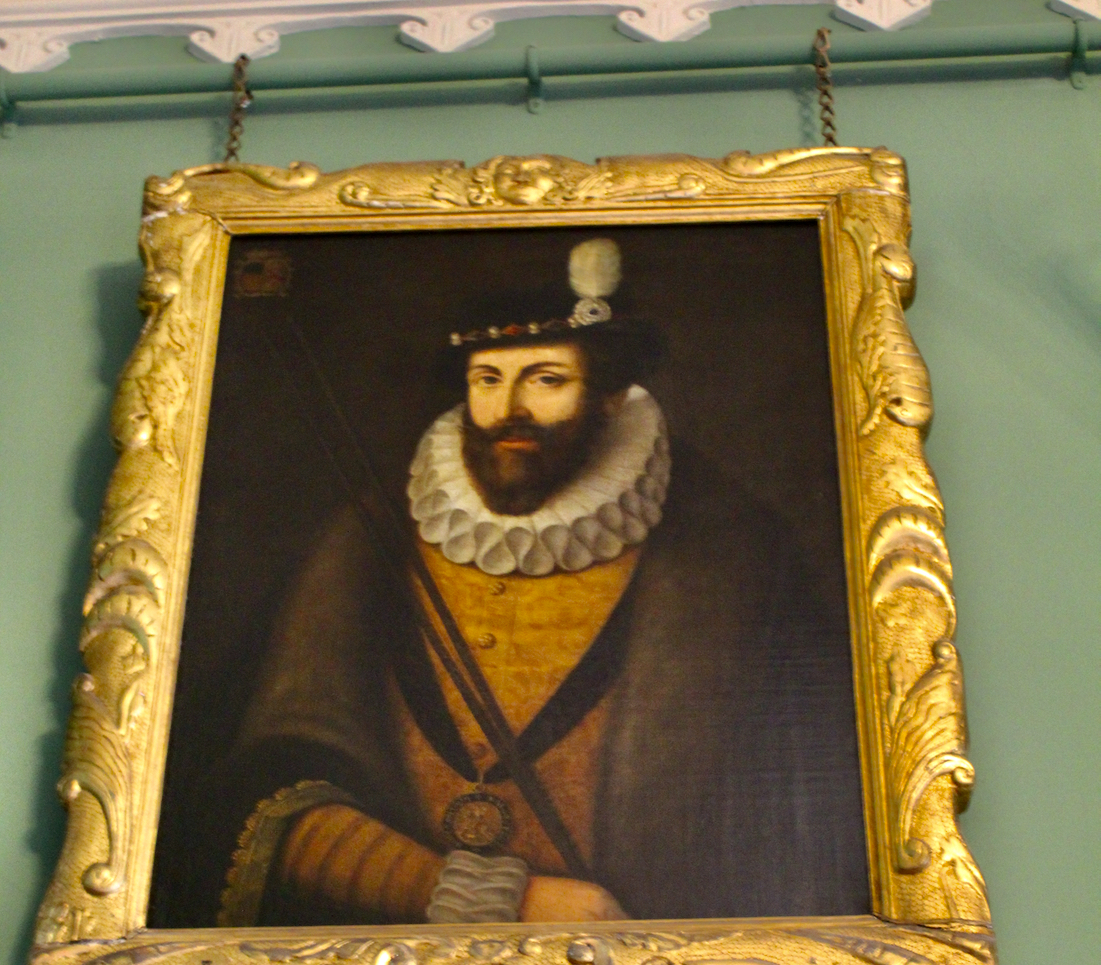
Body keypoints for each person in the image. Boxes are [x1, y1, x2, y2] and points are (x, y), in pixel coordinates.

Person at [212, 238, 867, 927]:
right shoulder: (372, 534)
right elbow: (273, 781)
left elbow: (796, 823)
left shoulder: (731, 551)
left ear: (608, 398)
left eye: (546, 379)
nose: (508, 409)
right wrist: (479, 894)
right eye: (487, 379)